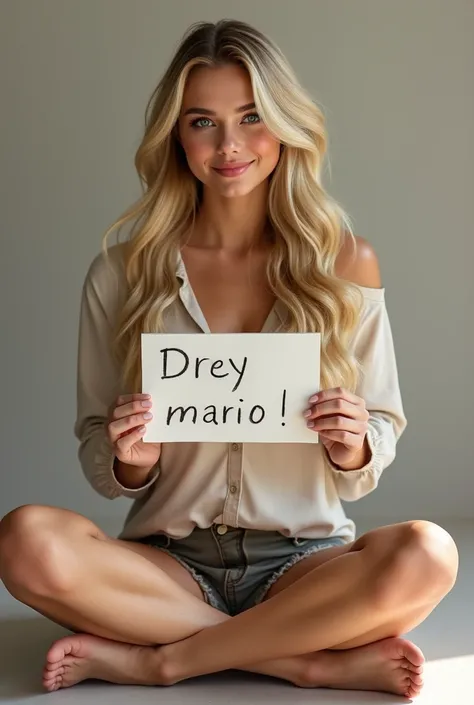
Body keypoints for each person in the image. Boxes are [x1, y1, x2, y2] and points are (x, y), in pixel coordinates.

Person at [0, 19, 458, 699]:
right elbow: (99, 450)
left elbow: (380, 436)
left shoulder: (346, 263)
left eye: (251, 116)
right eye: (202, 122)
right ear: (175, 136)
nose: (230, 145)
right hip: (166, 562)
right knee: (24, 539)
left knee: (429, 554)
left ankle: (164, 658)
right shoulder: (120, 274)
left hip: (305, 561)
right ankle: (296, 658)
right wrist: (133, 457)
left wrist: (354, 444)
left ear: (284, 124)